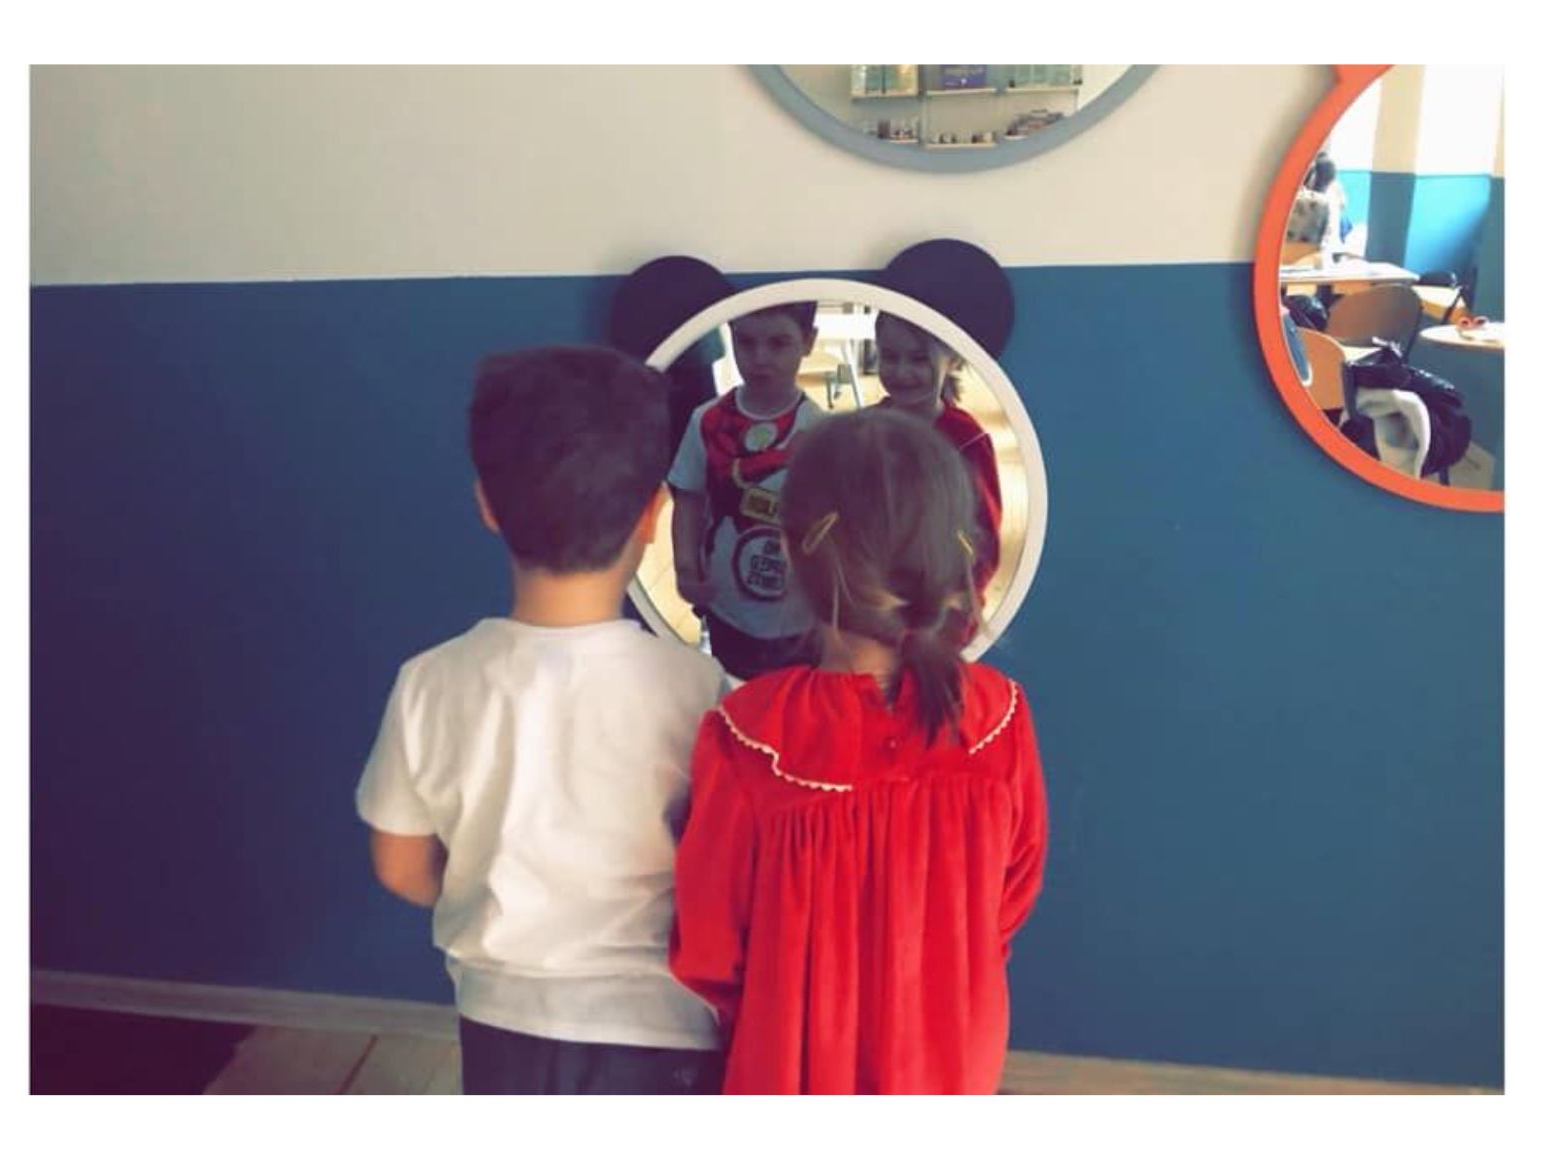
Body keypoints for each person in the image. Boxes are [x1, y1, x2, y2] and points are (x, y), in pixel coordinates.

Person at [356, 346, 730, 1095]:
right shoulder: (699, 690)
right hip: (662, 1024)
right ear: (652, 515)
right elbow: (722, 867)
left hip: (500, 1021)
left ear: (486, 505)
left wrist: (498, 896)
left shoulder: (428, 682)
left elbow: (398, 865)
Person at [669, 408, 1049, 1094]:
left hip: (790, 1071)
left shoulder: (751, 736)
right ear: (956, 553)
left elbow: (710, 951)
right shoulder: (999, 717)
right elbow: (1007, 906)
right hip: (953, 1063)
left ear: (791, 553)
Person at [667, 303, 827, 679]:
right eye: (746, 342)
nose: (760, 358)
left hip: (800, 615)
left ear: (808, 341)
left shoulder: (822, 430)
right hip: (727, 608)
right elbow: (689, 501)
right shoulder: (706, 421)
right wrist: (686, 567)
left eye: (778, 343)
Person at [872, 312, 1003, 599]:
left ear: (953, 359)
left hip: (941, 602)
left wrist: (957, 603)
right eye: (890, 357)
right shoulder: (862, 429)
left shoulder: (967, 441)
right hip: (871, 598)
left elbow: (984, 542)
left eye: (919, 359)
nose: (901, 372)